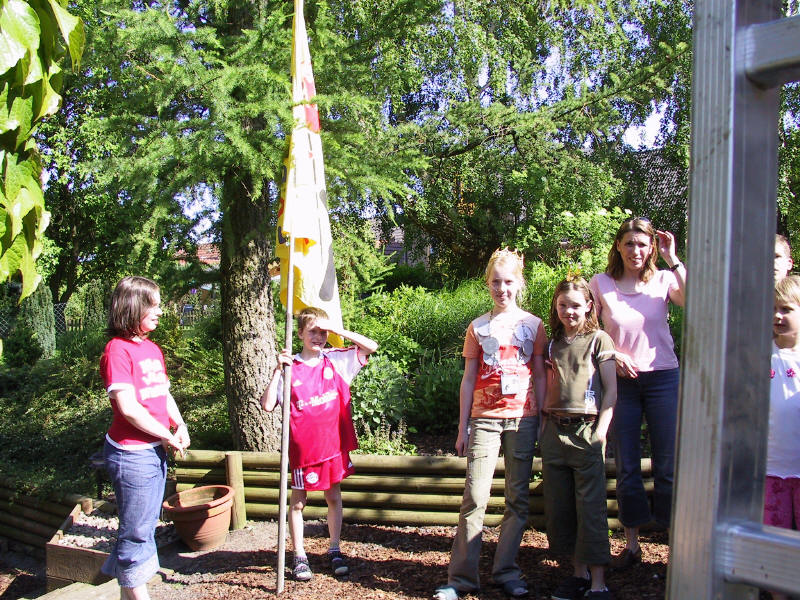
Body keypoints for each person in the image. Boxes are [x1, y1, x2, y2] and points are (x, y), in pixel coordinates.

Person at [434, 248, 547, 600]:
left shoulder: (534, 325)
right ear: (487, 284)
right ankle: (461, 579)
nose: (502, 289)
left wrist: (543, 417)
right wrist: (462, 427)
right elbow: (469, 378)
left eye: (509, 282)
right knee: (475, 497)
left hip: (524, 419)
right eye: (496, 282)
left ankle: (506, 571)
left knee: (517, 499)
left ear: (519, 283)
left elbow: (540, 373)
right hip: (484, 419)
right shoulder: (478, 326)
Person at [589, 217, 686, 569]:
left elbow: (694, 301)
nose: (635, 250)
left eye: (642, 244)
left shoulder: (664, 280)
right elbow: (589, 328)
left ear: (651, 249)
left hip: (663, 378)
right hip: (621, 383)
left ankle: (674, 547)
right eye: (629, 243)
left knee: (667, 465)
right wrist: (613, 356)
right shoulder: (601, 283)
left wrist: (673, 259)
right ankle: (632, 545)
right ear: (618, 246)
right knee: (627, 464)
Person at [260, 307, 378, 582]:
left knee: (333, 497)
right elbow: (267, 405)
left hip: (332, 447)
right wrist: (277, 371)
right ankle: (299, 555)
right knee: (298, 503)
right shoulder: (290, 367)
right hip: (304, 451)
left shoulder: (335, 360)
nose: (319, 337)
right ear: (300, 333)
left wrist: (336, 329)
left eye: (323, 332)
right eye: (313, 331)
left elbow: (371, 347)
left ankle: (334, 549)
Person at [100, 276, 191, 600]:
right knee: (137, 532)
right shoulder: (117, 351)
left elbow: (162, 395)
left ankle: (128, 588)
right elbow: (128, 408)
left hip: (154, 452)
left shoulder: (152, 349)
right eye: (154, 305)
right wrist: (167, 435)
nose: (160, 312)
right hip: (131, 455)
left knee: (143, 526)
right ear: (133, 307)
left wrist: (179, 425)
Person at [542, 277, 617, 600]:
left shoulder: (599, 340)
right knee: (562, 507)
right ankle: (577, 575)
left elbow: (611, 391)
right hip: (554, 432)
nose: (568, 311)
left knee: (591, 508)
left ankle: (598, 582)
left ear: (588, 306)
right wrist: (544, 428)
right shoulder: (553, 344)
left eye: (575, 305)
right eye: (562, 305)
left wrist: (600, 432)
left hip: (587, 431)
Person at [764, 275, 800, 600]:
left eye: (786, 309)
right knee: (774, 545)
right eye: (773, 308)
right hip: (769, 471)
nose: (777, 315)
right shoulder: (759, 355)